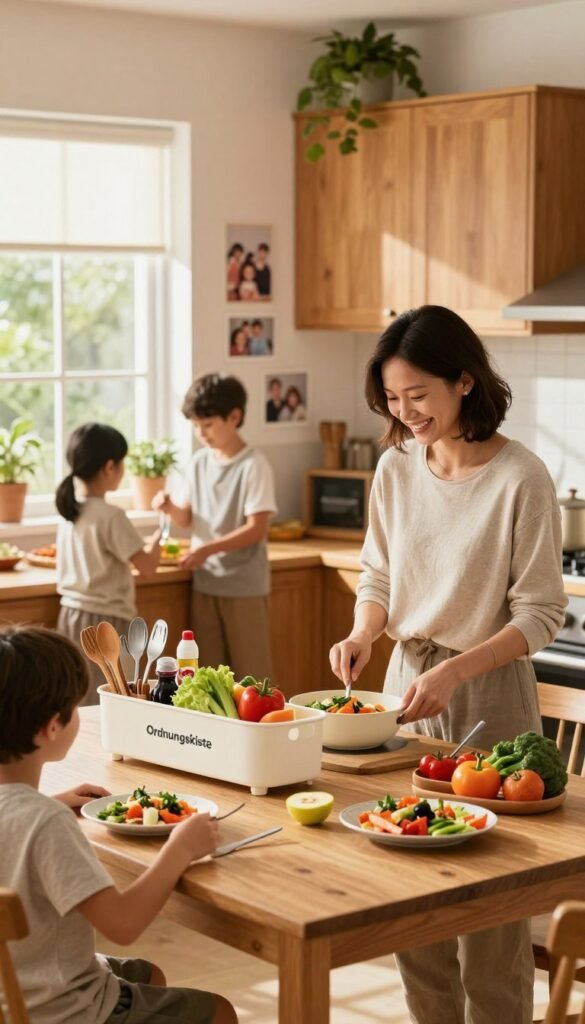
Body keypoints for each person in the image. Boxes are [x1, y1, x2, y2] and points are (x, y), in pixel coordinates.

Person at [329, 305, 567, 1024]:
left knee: (489, 912)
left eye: (417, 396)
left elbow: (540, 614)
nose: (405, 414)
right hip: (405, 685)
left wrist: (456, 671)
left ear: (463, 381)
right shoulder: (395, 468)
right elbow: (376, 576)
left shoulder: (520, 477)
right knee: (412, 893)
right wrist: (363, 633)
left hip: (487, 696)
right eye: (392, 401)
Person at [0, 623, 237, 1024]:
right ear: (51, 727)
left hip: (15, 991)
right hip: (65, 1010)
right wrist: (179, 849)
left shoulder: (36, 812)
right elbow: (124, 923)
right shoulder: (47, 823)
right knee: (219, 1011)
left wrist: (50, 803)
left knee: (148, 975)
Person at [152, 375, 276, 681]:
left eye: (207, 425)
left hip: (243, 587)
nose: (200, 433)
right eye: (195, 426)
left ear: (234, 417)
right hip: (205, 583)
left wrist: (206, 549)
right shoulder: (199, 462)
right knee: (206, 676)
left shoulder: (253, 465)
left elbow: (256, 529)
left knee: (251, 676)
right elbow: (187, 519)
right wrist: (168, 506)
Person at [55, 423, 161, 705]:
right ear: (110, 466)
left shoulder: (69, 510)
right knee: (114, 700)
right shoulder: (111, 515)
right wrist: (159, 539)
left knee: (79, 699)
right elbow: (148, 568)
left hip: (71, 616)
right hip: (107, 622)